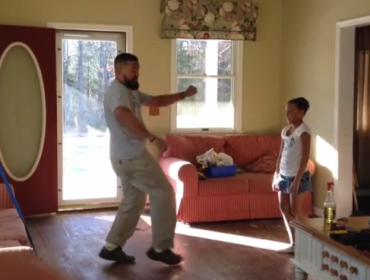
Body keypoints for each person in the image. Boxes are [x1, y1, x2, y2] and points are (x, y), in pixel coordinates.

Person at [99, 52, 197, 265]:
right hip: (132, 156)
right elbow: (122, 116)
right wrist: (152, 138)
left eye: (138, 69)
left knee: (134, 200)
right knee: (163, 192)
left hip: (123, 157)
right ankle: (161, 247)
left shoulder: (129, 91)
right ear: (119, 71)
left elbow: (156, 101)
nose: (137, 73)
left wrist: (183, 94)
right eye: (133, 69)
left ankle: (112, 246)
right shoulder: (117, 92)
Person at [273, 97, 312, 254]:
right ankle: (295, 244)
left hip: (298, 176)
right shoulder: (285, 130)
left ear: (301, 113)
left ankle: (315, 240)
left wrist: (296, 181)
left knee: (297, 212)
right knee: (284, 208)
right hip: (283, 175)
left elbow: (305, 157)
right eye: (286, 112)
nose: (287, 114)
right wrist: (276, 175)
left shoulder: (304, 131)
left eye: (291, 111)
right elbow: (281, 154)